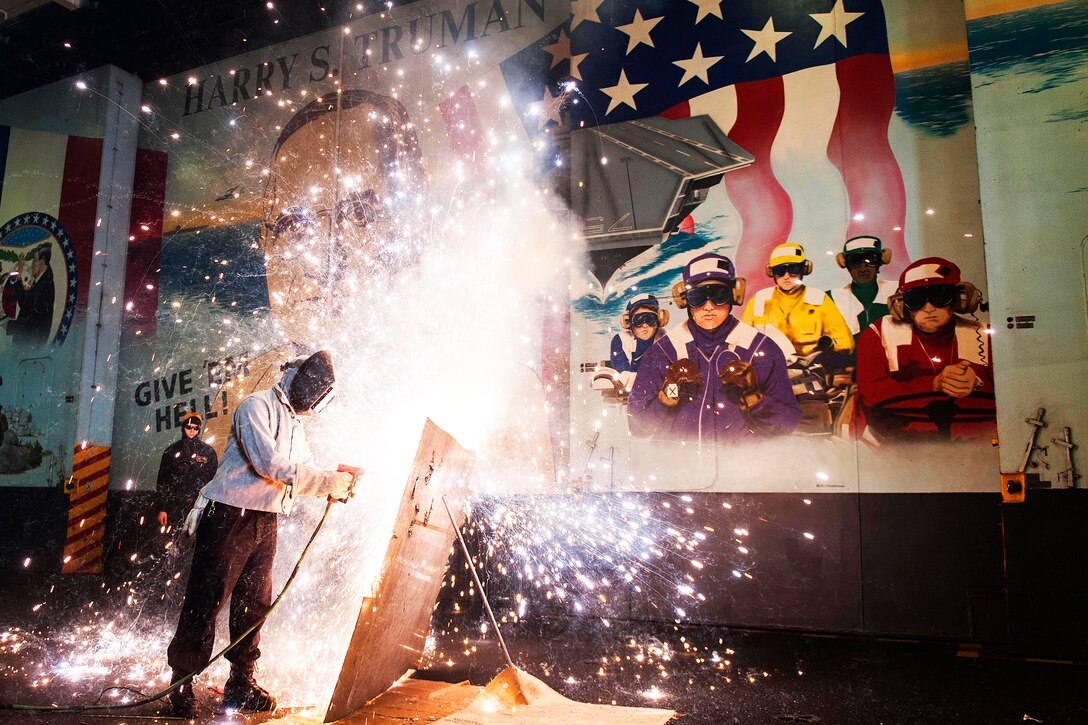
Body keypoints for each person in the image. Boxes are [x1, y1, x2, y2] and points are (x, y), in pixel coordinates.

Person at [166, 350, 356, 717]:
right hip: (227, 515)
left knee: (254, 603)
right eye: (314, 386)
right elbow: (271, 465)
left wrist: (337, 482)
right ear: (297, 377)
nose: (314, 396)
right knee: (207, 600)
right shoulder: (256, 406)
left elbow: (303, 469)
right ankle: (181, 682)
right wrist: (327, 482)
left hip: (265, 519)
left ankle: (240, 681)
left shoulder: (295, 425)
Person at [627, 252, 801, 442]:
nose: (709, 306)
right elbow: (638, 427)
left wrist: (753, 397)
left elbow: (787, 425)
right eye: (698, 297)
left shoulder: (762, 349)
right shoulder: (664, 352)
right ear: (684, 300)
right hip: (679, 466)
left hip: (745, 466)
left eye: (719, 295)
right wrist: (670, 391)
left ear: (734, 295)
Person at [855, 257, 995, 443]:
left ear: (960, 299)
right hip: (894, 443)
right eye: (916, 299)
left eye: (940, 297)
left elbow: (1012, 390)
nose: (929, 308)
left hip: (977, 442)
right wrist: (934, 384)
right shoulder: (878, 334)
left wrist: (976, 383)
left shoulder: (984, 336)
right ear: (902, 304)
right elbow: (871, 392)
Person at [742, 242, 854, 361]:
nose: (786, 276)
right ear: (771, 272)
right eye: (780, 270)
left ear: (804, 269)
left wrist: (828, 345)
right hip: (769, 369)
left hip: (811, 370)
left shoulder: (819, 299)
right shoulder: (760, 300)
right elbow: (741, 340)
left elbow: (846, 343)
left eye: (793, 269)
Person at [155, 412, 218, 583]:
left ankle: (193, 581)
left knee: (197, 547)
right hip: (175, 507)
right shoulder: (171, 451)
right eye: (188, 427)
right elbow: (163, 482)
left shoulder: (208, 452)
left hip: (199, 508)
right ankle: (169, 581)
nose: (192, 431)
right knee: (173, 547)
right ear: (183, 428)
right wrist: (162, 508)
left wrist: (211, 509)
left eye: (195, 428)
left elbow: (213, 482)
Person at [828, 235, 899, 345]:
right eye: (855, 261)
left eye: (871, 260)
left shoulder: (897, 291)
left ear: (882, 260)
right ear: (844, 263)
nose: (863, 268)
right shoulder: (831, 297)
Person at [594, 294, 668, 398]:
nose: (645, 325)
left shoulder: (667, 338)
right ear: (628, 322)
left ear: (660, 319)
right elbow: (624, 372)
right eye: (638, 320)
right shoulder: (620, 340)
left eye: (650, 319)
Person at [4, 244, 56, 347]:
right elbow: (25, 304)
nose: (32, 264)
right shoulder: (40, 281)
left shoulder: (46, 285)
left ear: (43, 260)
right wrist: (18, 280)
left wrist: (7, 325)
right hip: (25, 345)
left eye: (35, 260)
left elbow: (33, 322)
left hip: (30, 347)